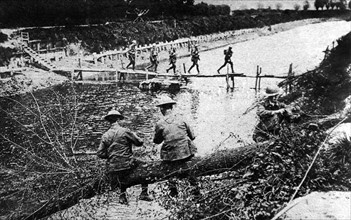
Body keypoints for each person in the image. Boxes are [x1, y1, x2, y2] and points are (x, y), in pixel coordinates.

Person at [97, 109, 152, 205]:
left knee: (120, 173)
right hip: (127, 164)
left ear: (109, 121)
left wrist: (110, 155)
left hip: (112, 166)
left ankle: (122, 196)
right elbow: (139, 142)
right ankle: (144, 193)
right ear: (118, 119)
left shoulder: (105, 135)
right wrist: (137, 136)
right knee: (145, 165)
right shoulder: (125, 131)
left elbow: (100, 153)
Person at [153, 96, 199, 198]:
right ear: (171, 107)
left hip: (171, 155)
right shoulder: (182, 118)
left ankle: (173, 192)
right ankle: (195, 189)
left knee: (169, 170)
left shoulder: (160, 123)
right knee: (189, 167)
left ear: (161, 109)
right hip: (186, 152)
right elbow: (193, 136)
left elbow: (157, 141)